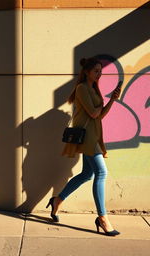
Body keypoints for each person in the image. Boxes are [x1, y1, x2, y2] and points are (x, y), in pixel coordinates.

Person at [46, 57, 121, 236]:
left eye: (100, 71)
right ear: (86, 71)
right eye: (96, 70)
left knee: (88, 174)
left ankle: (58, 200)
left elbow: (100, 116)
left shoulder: (94, 89)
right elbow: (94, 113)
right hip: (87, 137)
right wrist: (105, 102)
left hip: (94, 136)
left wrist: (112, 100)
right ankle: (102, 217)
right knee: (101, 173)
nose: (99, 73)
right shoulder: (82, 89)